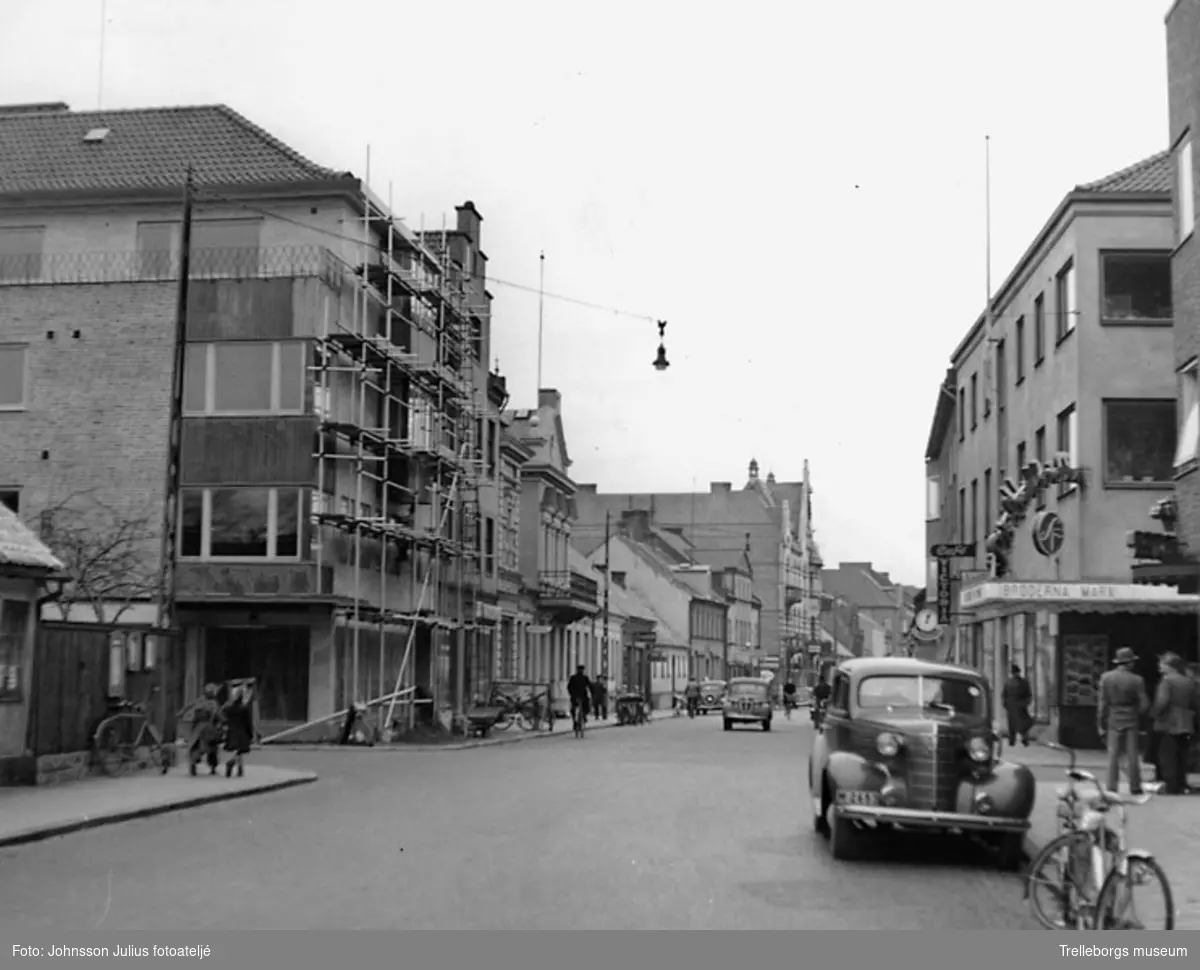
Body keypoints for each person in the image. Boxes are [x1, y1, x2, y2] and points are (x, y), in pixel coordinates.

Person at [1097, 647, 1149, 795]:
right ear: (1130, 663)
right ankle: (1135, 786)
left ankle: (1112, 787)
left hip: (1113, 717)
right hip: (1131, 718)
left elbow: (1102, 704)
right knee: (1133, 754)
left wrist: (1100, 723)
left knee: (1113, 754)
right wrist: (1136, 713)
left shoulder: (1106, 678)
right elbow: (1144, 703)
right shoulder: (1137, 680)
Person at [1150, 652, 1198, 795]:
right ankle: (1181, 783)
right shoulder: (1188, 681)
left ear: (1170, 666)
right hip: (1186, 721)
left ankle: (1171, 786)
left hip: (1169, 722)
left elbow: (1162, 701)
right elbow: (1194, 702)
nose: (1159, 667)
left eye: (1162, 664)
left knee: (1168, 755)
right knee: (1181, 755)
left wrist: (1154, 714)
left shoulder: (1167, 681)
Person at [181, 682, 222, 776]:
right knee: (212, 746)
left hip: (197, 727)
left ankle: (194, 762)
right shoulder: (213, 703)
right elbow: (218, 715)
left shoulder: (199, 701)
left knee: (196, 745)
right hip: (208, 727)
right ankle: (211, 766)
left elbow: (188, 707)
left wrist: (181, 713)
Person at [220, 682, 255, 778]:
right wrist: (250, 733)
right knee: (240, 750)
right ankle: (232, 762)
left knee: (237, 750)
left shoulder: (229, 709)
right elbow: (247, 722)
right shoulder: (244, 709)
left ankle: (240, 769)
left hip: (231, 731)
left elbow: (224, 718)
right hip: (241, 731)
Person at [1001, 663, 1033, 747]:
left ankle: (1023, 739)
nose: (1016, 674)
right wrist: (1006, 703)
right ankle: (1012, 739)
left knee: (1023, 723)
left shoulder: (1023, 682)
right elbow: (1004, 694)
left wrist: (1026, 703)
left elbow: (1028, 694)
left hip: (1020, 706)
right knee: (1012, 724)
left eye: (1016, 672)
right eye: (1015, 673)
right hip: (1013, 706)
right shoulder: (1008, 682)